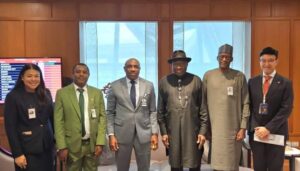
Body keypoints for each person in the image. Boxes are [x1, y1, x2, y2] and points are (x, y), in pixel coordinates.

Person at [201, 44, 250, 171]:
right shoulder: (208, 76)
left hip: (234, 131)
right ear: (217, 58)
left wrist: (243, 127)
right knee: (217, 165)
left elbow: (246, 103)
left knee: (232, 166)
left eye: (227, 57)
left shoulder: (239, 76)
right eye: (222, 57)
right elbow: (203, 103)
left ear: (231, 59)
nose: (224, 59)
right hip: (215, 131)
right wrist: (205, 128)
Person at [157, 50, 207, 171]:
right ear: (172, 65)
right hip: (172, 133)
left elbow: (203, 109)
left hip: (193, 132)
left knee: (194, 165)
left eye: (182, 64)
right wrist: (163, 133)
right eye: (175, 64)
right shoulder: (164, 82)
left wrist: (202, 131)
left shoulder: (196, 80)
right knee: (175, 166)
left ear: (187, 64)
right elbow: (160, 111)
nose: (178, 67)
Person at [106, 58, 158, 171]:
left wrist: (154, 133)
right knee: (122, 167)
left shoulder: (148, 85)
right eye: (129, 66)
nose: (133, 69)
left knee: (144, 167)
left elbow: (153, 110)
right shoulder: (114, 86)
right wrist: (111, 135)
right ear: (125, 69)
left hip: (144, 132)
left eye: (136, 66)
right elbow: (110, 112)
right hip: (122, 133)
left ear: (139, 69)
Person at [54, 63, 106, 171]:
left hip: (92, 145)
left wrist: (100, 142)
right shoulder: (62, 93)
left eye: (84, 72)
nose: (81, 74)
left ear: (88, 75)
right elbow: (58, 122)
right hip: (71, 146)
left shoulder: (97, 93)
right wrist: (62, 146)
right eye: (78, 72)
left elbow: (102, 118)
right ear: (73, 74)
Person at [248, 47, 293, 171]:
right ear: (259, 61)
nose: (266, 64)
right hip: (257, 135)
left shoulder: (285, 83)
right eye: (263, 60)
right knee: (258, 167)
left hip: (276, 133)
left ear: (276, 61)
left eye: (270, 60)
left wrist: (268, 128)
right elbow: (249, 107)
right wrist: (256, 128)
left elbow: (286, 109)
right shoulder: (252, 82)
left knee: (275, 168)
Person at [4, 63, 54, 171]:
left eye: (37, 76)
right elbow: (10, 128)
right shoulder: (13, 97)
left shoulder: (46, 93)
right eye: (29, 76)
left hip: (47, 148)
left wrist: (55, 142)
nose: (33, 79)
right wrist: (17, 154)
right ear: (22, 77)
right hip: (27, 151)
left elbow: (51, 119)